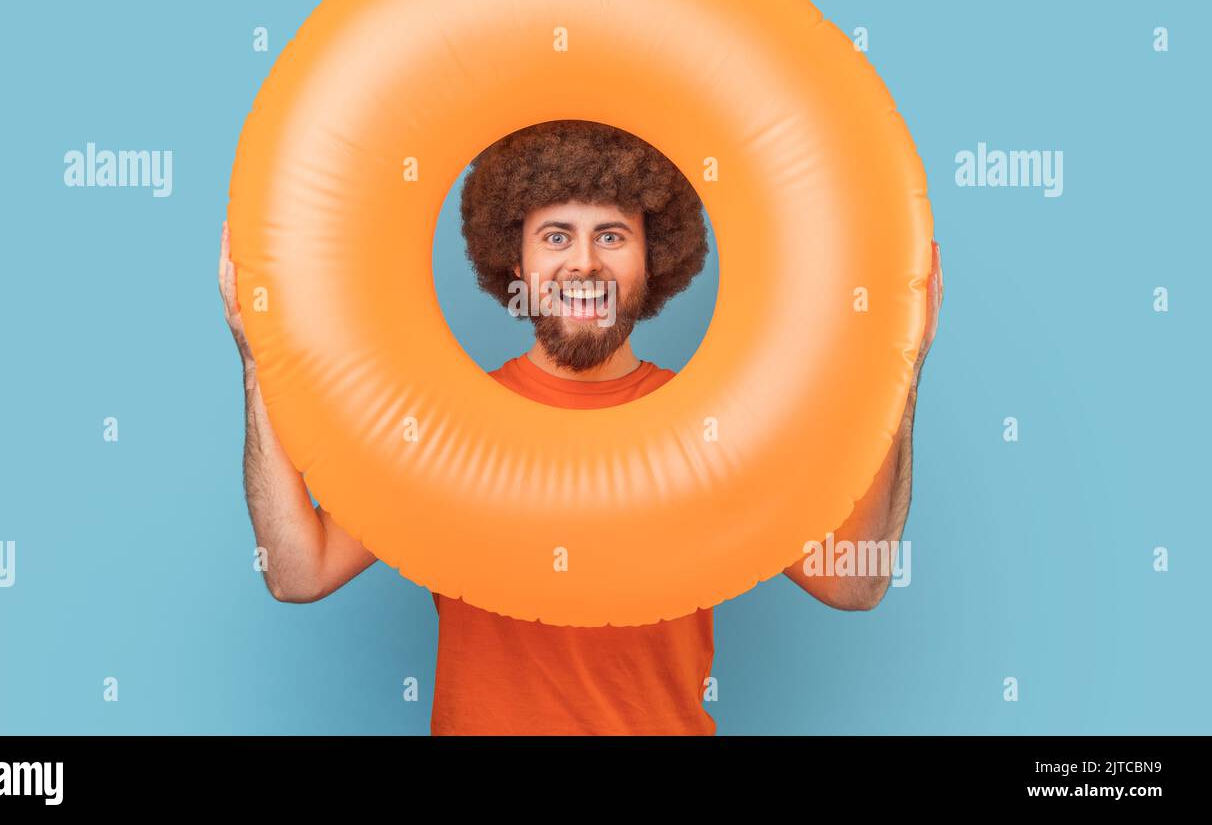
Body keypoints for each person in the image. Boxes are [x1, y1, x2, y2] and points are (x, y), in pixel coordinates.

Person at [218, 119, 943, 736]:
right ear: (517, 259)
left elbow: (857, 584)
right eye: (557, 235)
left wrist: (902, 375)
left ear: (654, 256)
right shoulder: (440, 423)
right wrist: (257, 365)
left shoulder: (715, 426)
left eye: (613, 235)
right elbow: (296, 571)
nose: (584, 263)